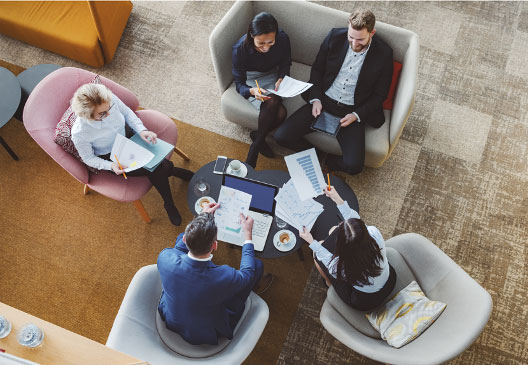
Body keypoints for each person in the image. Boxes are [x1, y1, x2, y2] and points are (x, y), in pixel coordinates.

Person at [274, 9, 393, 175]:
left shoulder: (384, 54)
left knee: (354, 166)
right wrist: (315, 99)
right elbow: (317, 70)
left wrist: (356, 115)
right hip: (323, 100)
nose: (354, 44)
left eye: (360, 39)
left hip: (352, 111)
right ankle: (314, 152)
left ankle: (331, 162)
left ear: (372, 33)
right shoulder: (334, 37)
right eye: (351, 37)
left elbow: (380, 95)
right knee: (281, 136)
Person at [70, 83, 193, 226]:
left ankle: (172, 174)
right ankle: (169, 200)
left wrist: (141, 130)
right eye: (102, 114)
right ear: (88, 116)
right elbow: (88, 158)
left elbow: (128, 113)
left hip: (128, 137)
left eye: (109, 108)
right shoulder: (80, 133)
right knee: (157, 168)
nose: (109, 114)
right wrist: (111, 166)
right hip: (111, 155)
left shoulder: (108, 100)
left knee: (157, 166)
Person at [157, 203, 273, 345]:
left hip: (172, 318)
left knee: (178, 248)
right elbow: (247, 274)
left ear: (185, 239)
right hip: (206, 332)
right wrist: (248, 235)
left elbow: (178, 248)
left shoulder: (165, 257)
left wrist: (201, 219)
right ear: (215, 246)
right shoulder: (224, 276)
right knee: (256, 265)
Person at [299, 186, 396, 311]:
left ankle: (329, 283)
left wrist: (311, 241)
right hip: (390, 280)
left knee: (316, 256)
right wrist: (337, 198)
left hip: (366, 300)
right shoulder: (374, 233)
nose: (340, 224)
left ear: (342, 247)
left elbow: (324, 257)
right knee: (332, 230)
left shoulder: (340, 267)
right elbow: (355, 220)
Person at [232, 12, 292, 168]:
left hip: (273, 74)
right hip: (252, 79)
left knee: (278, 107)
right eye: (261, 43)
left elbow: (286, 63)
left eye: (270, 42)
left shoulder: (283, 39)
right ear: (251, 35)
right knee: (279, 111)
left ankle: (256, 141)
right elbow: (239, 84)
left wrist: (281, 78)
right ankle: (257, 145)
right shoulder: (240, 49)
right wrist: (252, 91)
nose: (266, 48)